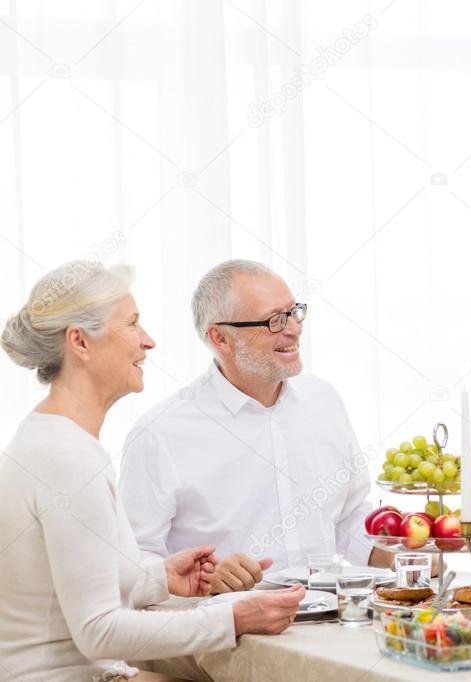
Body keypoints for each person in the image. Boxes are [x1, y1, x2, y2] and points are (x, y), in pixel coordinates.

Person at [0, 261, 303, 682]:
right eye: (132, 324)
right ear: (80, 343)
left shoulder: (55, 439)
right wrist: (233, 618)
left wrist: (159, 578)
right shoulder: (65, 457)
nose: (148, 342)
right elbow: (99, 632)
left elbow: (73, 580)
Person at [119, 260, 387, 594]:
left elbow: (347, 517)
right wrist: (205, 580)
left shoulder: (324, 401)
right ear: (221, 338)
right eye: (275, 320)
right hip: (230, 634)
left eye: (294, 312)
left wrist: (402, 555)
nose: (294, 329)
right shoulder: (159, 434)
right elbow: (130, 562)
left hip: (330, 622)